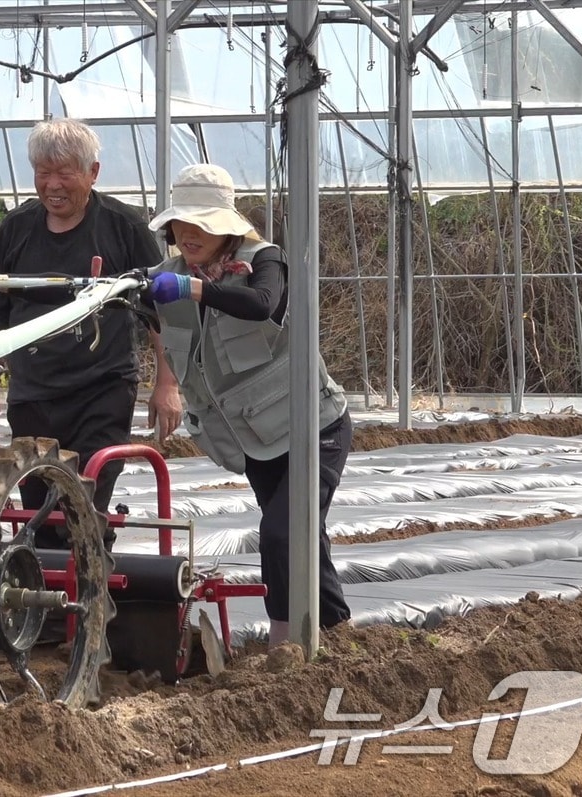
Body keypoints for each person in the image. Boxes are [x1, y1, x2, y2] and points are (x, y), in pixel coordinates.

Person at [144, 163, 352, 645]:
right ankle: (340, 634)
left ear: (226, 227)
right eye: (182, 224)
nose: (190, 234)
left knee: (280, 535)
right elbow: (152, 319)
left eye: (203, 224)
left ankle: (284, 643)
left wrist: (195, 289)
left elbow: (263, 303)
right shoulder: (168, 275)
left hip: (314, 427)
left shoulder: (264, 260)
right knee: (303, 539)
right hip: (256, 439)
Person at [0, 117, 174, 548]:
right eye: (42, 172)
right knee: (37, 517)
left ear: (92, 173)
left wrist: (166, 384)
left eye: (64, 172)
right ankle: (44, 604)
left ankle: (86, 600)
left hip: (102, 391)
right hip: (34, 393)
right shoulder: (17, 229)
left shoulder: (123, 227)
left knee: (82, 505)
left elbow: (160, 312)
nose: (52, 184)